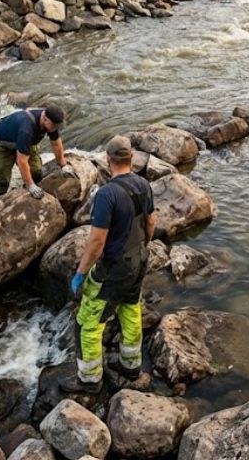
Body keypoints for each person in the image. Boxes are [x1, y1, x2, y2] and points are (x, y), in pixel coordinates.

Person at [64, 135, 156, 393]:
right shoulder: (143, 184)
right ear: (131, 158)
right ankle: (130, 365)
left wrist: (81, 273)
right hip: (139, 258)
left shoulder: (107, 194)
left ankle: (89, 379)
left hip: (115, 266)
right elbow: (151, 222)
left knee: (88, 321)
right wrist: (143, 248)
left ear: (107, 159)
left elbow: (96, 243)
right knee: (129, 309)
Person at [0, 104, 69, 199]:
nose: (57, 128)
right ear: (45, 119)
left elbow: (56, 143)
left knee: (36, 174)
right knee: (1, 184)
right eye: (55, 126)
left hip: (25, 142)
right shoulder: (26, 130)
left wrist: (63, 165)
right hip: (2, 144)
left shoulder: (51, 121)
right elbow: (22, 161)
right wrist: (30, 185)